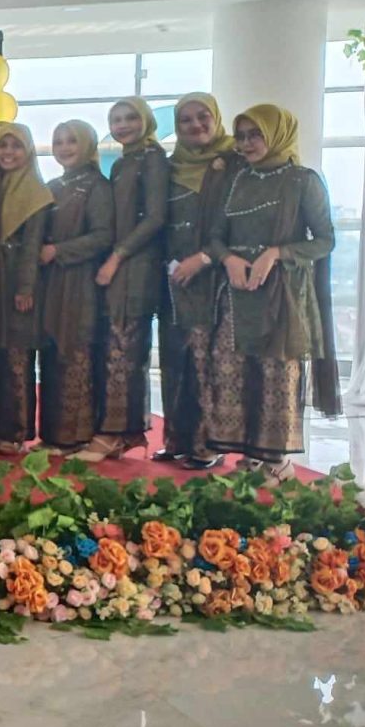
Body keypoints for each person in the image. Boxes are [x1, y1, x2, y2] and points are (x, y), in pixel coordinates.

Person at [204, 105, 337, 484]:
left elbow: (325, 240)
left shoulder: (302, 181)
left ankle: (277, 461)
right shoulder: (236, 180)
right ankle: (250, 455)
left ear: (277, 135)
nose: (246, 144)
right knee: (232, 369)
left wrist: (276, 253)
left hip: (281, 295)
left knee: (277, 373)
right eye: (241, 136)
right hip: (236, 294)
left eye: (256, 135)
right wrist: (228, 258)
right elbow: (215, 236)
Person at [72, 97, 168, 462]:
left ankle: (115, 434)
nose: (123, 125)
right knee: (115, 347)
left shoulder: (152, 158)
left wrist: (117, 256)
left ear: (146, 120)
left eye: (130, 118)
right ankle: (119, 432)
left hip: (135, 267)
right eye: (116, 119)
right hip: (119, 265)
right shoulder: (125, 161)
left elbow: (155, 217)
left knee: (123, 349)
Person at [158, 92, 245, 469]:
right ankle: (177, 439)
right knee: (175, 359)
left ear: (217, 117)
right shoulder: (171, 166)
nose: (195, 125)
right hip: (173, 276)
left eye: (202, 116)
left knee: (207, 361)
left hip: (214, 276)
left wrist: (206, 257)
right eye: (185, 120)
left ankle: (208, 444)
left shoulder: (235, 163)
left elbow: (241, 221)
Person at [38, 121, 115, 455]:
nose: (64, 148)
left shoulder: (98, 186)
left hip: (81, 281)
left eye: (72, 141)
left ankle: (77, 436)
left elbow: (103, 236)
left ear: (87, 144)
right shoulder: (53, 185)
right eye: (58, 141)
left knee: (77, 350)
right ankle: (54, 436)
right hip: (52, 282)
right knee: (53, 352)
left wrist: (59, 250)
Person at [0, 123, 53, 454]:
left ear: (28, 152)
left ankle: (17, 432)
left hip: (18, 284)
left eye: (16, 146)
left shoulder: (35, 192)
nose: (8, 152)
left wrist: (25, 288)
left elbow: (32, 246)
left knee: (18, 358)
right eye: (2, 145)